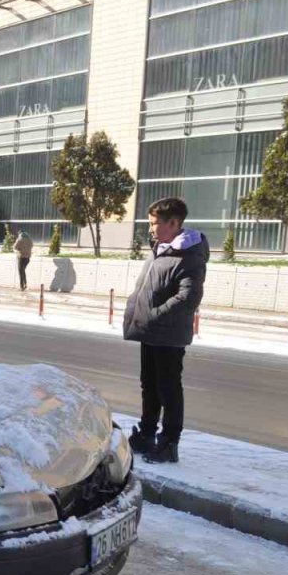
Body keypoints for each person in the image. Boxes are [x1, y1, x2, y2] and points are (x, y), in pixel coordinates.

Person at [122, 197, 207, 464]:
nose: (151, 229)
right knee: (149, 385)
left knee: (169, 389)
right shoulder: (161, 249)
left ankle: (169, 442)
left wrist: (155, 316)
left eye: (155, 223)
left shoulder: (189, 256)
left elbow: (188, 297)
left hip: (168, 335)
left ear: (174, 223)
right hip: (150, 331)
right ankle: (147, 432)